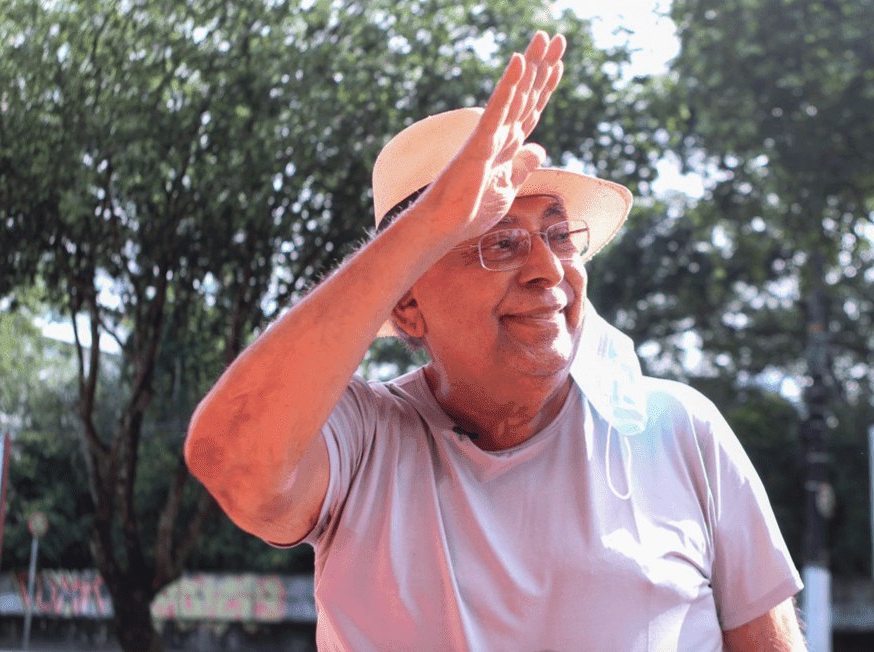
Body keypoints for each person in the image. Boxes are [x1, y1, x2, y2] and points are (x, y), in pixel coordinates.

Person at [185, 31, 807, 652]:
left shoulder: (679, 431)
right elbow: (231, 463)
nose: (547, 270)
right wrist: (432, 222)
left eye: (559, 235)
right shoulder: (363, 441)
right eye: (499, 242)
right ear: (407, 304)